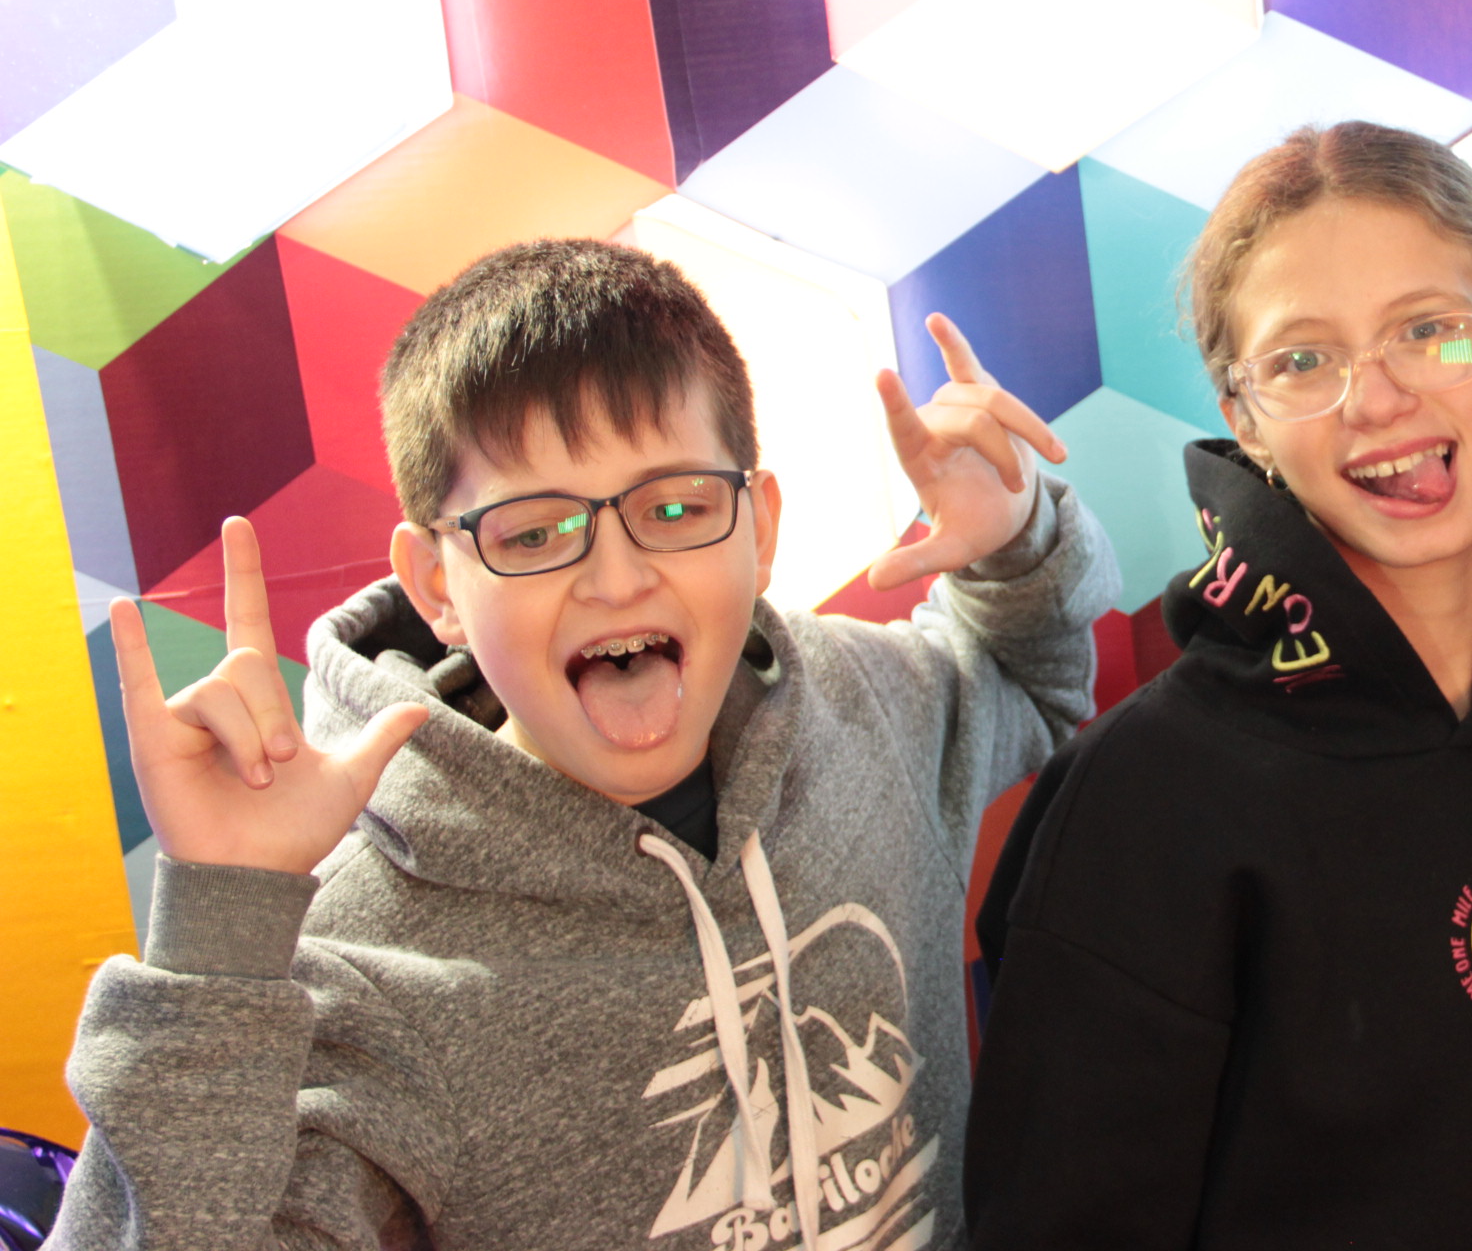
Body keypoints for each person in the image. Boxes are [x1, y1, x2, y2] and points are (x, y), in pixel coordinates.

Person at [52, 239, 1119, 1250]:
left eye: (676, 507)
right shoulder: (363, 958)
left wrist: (1016, 543)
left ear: (759, 529)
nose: (617, 577)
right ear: (436, 587)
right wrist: (217, 940)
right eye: (534, 532)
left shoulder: (870, 709)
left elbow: (1032, 680)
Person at [961, 123, 1472, 1248]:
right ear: (1245, 423)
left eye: (1430, 330)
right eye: (1302, 361)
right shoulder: (1142, 800)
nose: (1377, 399)